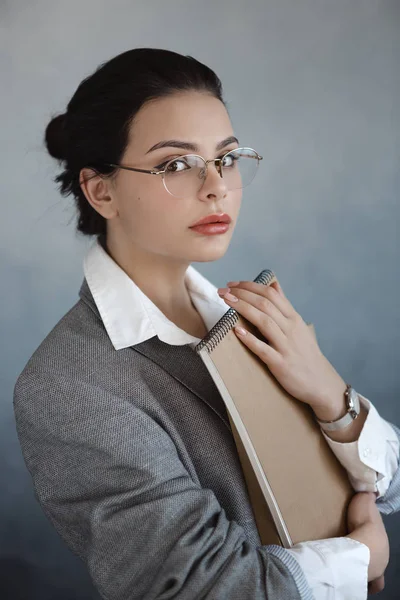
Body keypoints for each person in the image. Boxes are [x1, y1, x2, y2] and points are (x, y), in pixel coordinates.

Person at [13, 47, 400, 600]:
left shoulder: (252, 318)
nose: (217, 185)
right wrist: (358, 559)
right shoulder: (70, 384)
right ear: (101, 190)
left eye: (228, 157)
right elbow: (200, 587)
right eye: (176, 164)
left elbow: (389, 483)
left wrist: (330, 395)